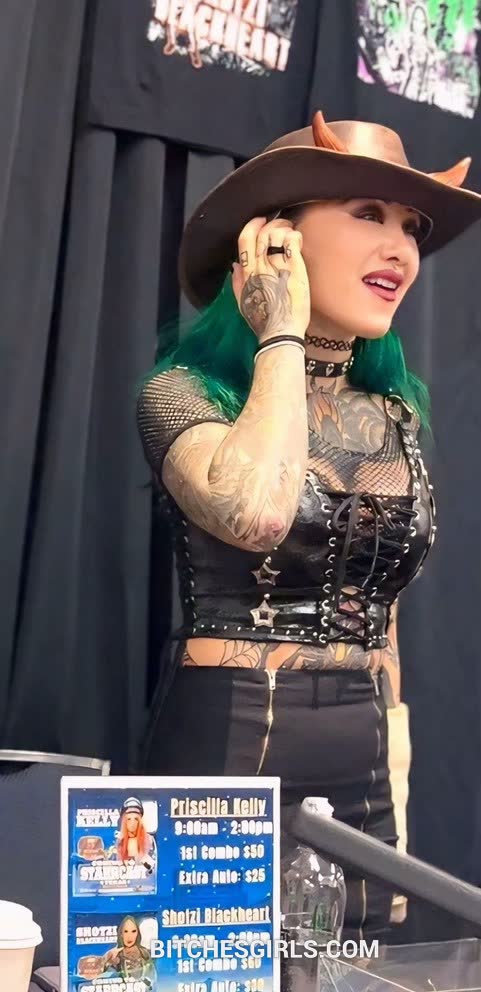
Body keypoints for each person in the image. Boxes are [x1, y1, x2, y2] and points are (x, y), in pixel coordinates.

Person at [136, 112, 481, 938]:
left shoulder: (394, 416)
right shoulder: (181, 395)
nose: (400, 249)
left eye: (411, 228)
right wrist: (281, 331)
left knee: (354, 971)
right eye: (368, 214)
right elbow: (256, 513)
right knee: (211, 967)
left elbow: (381, 613)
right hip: (227, 745)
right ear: (273, 239)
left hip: (364, 759)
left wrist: (394, 774)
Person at [102, 915, 156, 986]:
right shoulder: (115, 955)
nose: (129, 936)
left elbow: (153, 976)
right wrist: (106, 962)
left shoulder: (145, 953)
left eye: (133, 931)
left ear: (138, 933)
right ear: (121, 934)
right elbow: (104, 978)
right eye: (126, 931)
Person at [116, 796, 156, 870]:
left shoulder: (150, 840)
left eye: (136, 819)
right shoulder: (118, 841)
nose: (132, 823)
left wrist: (143, 859)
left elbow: (153, 868)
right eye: (129, 819)